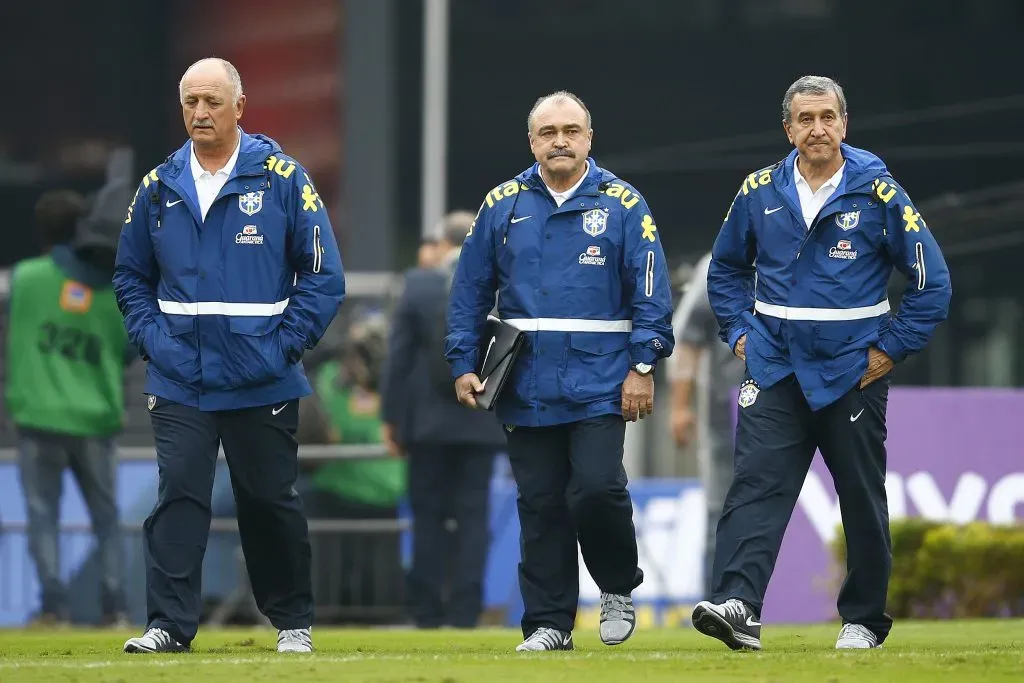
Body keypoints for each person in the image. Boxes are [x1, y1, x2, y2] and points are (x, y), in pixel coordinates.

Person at [693, 75, 951, 651]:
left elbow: (932, 282)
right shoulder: (759, 189)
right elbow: (726, 269)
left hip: (851, 370)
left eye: (827, 117)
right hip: (775, 366)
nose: (818, 129)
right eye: (805, 119)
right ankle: (738, 606)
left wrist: (890, 348)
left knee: (859, 496)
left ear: (844, 123)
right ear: (788, 129)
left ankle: (863, 620)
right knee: (755, 487)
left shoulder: (879, 191)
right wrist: (739, 335)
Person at [114, 58, 345, 654]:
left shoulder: (284, 178)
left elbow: (323, 278)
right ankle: (168, 625)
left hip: (261, 378)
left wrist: (282, 349)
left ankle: (292, 621)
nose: (200, 113)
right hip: (179, 377)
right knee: (179, 497)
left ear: (240, 107)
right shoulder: (158, 185)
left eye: (212, 101)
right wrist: (155, 343)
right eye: (191, 101)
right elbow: (130, 277)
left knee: (268, 501)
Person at [445, 91, 675, 651]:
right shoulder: (501, 203)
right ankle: (549, 624)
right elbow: (469, 291)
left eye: (571, 130)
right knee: (540, 505)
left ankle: (618, 586)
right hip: (524, 383)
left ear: (589, 139)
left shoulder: (623, 203)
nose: (560, 141)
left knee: (596, 490)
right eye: (548, 132)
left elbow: (651, 295)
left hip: (601, 381)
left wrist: (643, 365)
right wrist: (461, 362)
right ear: (532, 142)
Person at [5, 188, 133, 628]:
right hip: (95, 420)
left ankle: (53, 606)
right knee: (107, 519)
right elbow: (132, 351)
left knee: (43, 517)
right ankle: (115, 606)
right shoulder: (115, 295)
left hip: (38, 418)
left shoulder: (25, 278)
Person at [380, 210, 507, 629]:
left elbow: (397, 358)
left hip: (428, 425)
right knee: (474, 518)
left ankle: (426, 610)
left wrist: (392, 419)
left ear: (442, 243)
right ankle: (466, 610)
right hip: (481, 421)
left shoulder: (418, 284)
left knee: (428, 515)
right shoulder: (498, 284)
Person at [668, 252, 744, 600]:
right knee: (721, 507)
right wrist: (681, 406)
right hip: (726, 408)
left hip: (790, 406)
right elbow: (690, 337)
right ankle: (717, 601)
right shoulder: (720, 264)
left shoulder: (803, 250)